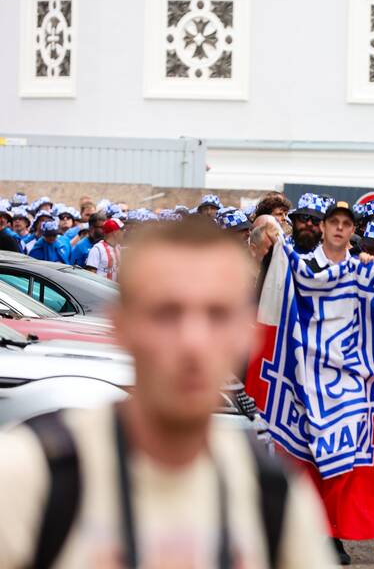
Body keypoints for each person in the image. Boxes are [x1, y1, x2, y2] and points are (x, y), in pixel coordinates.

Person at [0, 217, 337, 568]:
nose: (192, 342)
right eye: (166, 314)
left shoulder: (271, 494)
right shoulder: (31, 475)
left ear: (247, 334)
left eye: (217, 315)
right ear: (120, 326)